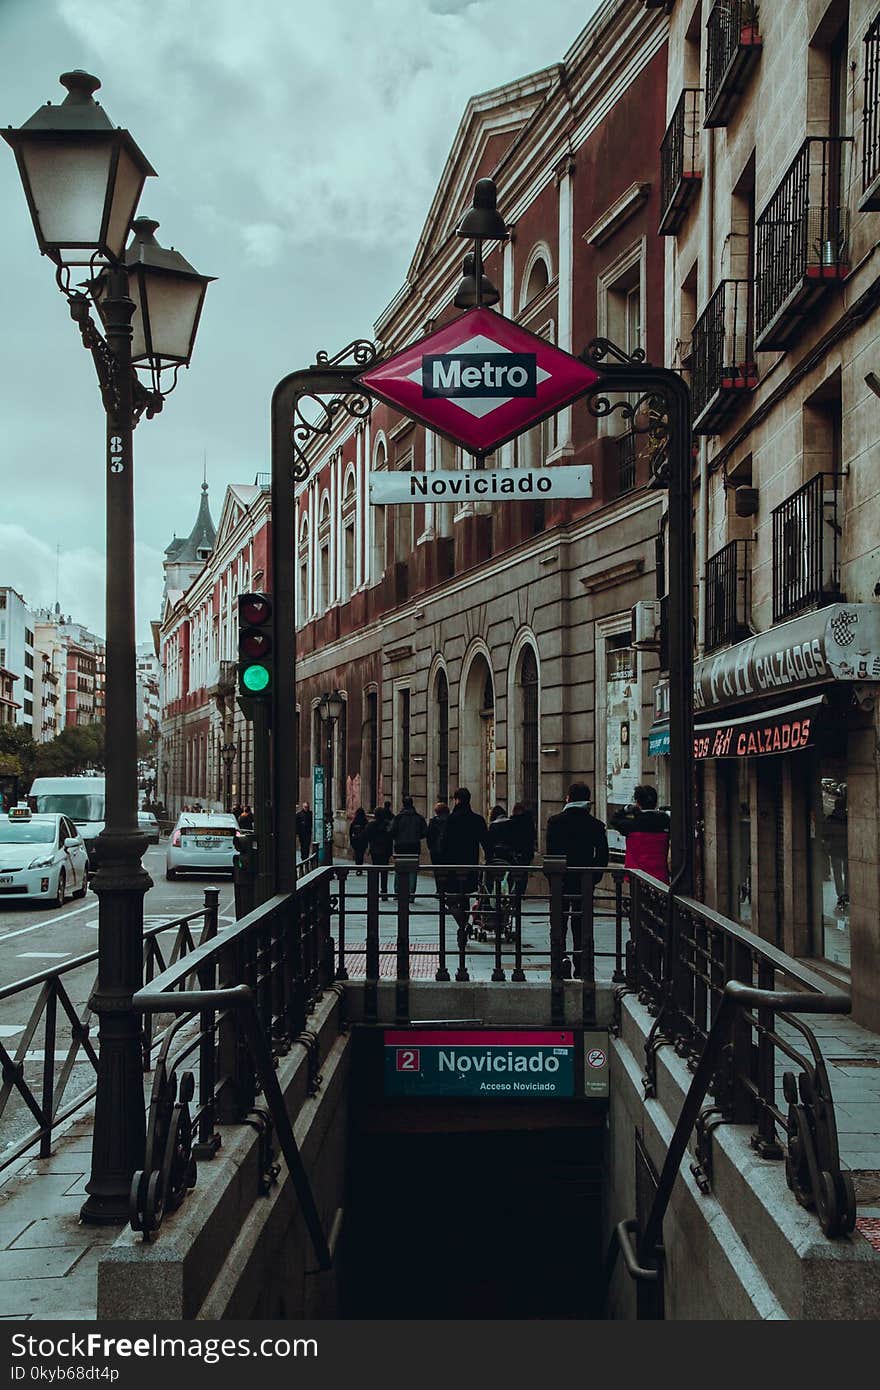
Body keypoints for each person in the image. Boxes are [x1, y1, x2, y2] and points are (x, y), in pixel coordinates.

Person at [546, 782, 608, 978]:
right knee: (581, 923)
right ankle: (581, 964)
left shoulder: (555, 822)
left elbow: (551, 854)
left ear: (568, 798)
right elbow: (603, 855)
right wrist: (594, 876)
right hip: (584, 879)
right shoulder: (596, 825)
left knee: (559, 922)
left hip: (561, 880)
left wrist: (553, 878)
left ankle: (560, 960)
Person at [442, 787, 490, 947]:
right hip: (470, 866)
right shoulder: (477, 819)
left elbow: (443, 845)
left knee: (451, 899)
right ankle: (464, 927)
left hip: (452, 866)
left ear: (456, 800)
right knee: (465, 897)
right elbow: (486, 843)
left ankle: (462, 926)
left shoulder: (450, 819)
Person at [610, 785, 670, 883]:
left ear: (637, 802)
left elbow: (614, 820)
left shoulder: (631, 824)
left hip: (637, 877)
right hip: (660, 877)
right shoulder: (665, 821)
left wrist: (625, 809)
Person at [390, 796, 428, 902]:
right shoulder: (419, 818)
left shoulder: (398, 818)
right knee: (412, 871)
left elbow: (392, 831)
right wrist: (416, 837)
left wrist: (398, 837)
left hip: (400, 846)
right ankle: (411, 893)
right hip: (414, 846)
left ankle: (397, 892)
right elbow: (425, 832)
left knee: (399, 869)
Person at [507, 802, 537, 898]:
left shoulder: (512, 821)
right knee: (524, 873)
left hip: (514, 852)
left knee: (513, 873)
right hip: (526, 852)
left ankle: (514, 892)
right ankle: (521, 892)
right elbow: (532, 836)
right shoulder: (529, 821)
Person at [366, 804, 394, 898]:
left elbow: (367, 836)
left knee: (375, 870)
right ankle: (384, 891)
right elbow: (391, 836)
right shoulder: (388, 824)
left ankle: (375, 891)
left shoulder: (371, 825)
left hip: (375, 850)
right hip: (386, 850)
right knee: (384, 871)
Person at [426, 801, 451, 896]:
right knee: (447, 870)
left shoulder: (433, 821)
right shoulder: (450, 820)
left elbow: (429, 836)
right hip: (447, 850)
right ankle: (446, 888)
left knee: (437, 871)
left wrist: (431, 847)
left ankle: (439, 889)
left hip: (435, 850)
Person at [349, 807, 369, 873]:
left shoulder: (354, 822)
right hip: (363, 840)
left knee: (357, 854)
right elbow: (367, 831)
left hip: (356, 840)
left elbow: (350, 832)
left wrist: (351, 841)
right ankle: (360, 867)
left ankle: (358, 867)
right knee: (361, 854)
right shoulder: (365, 821)